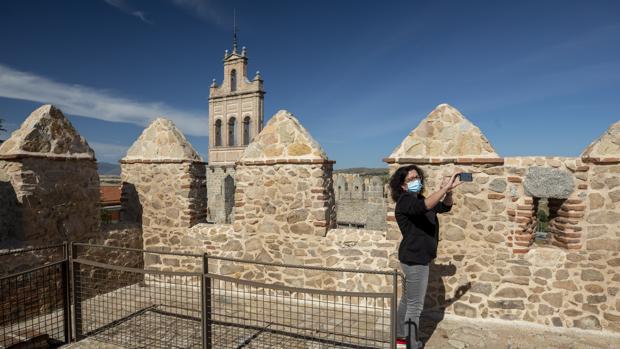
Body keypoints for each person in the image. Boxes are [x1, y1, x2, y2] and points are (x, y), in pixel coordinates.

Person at [389, 165, 461, 348]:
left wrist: (449, 192)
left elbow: (444, 207)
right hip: (415, 260)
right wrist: (443, 188)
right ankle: (412, 345)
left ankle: (399, 339)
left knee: (407, 301)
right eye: (411, 179)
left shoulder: (418, 198)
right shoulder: (406, 201)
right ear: (403, 186)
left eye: (416, 177)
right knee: (415, 306)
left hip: (415, 258)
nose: (416, 181)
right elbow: (424, 207)